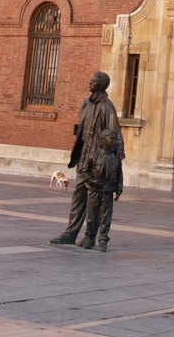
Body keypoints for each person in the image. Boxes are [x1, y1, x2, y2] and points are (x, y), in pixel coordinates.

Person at [50, 71, 124, 246]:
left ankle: (91, 237)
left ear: (101, 85)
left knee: (95, 202)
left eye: (94, 81)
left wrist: (115, 159)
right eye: (90, 80)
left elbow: (114, 135)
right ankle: (70, 233)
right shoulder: (85, 104)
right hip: (84, 158)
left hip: (97, 163)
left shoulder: (107, 107)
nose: (90, 83)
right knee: (78, 196)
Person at [79, 128, 123, 252]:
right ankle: (89, 237)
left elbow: (119, 174)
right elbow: (84, 171)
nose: (114, 141)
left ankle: (103, 239)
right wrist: (91, 181)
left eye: (115, 139)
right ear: (103, 140)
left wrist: (119, 189)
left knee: (106, 216)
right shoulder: (93, 155)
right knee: (91, 216)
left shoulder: (116, 158)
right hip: (94, 190)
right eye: (112, 139)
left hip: (107, 191)